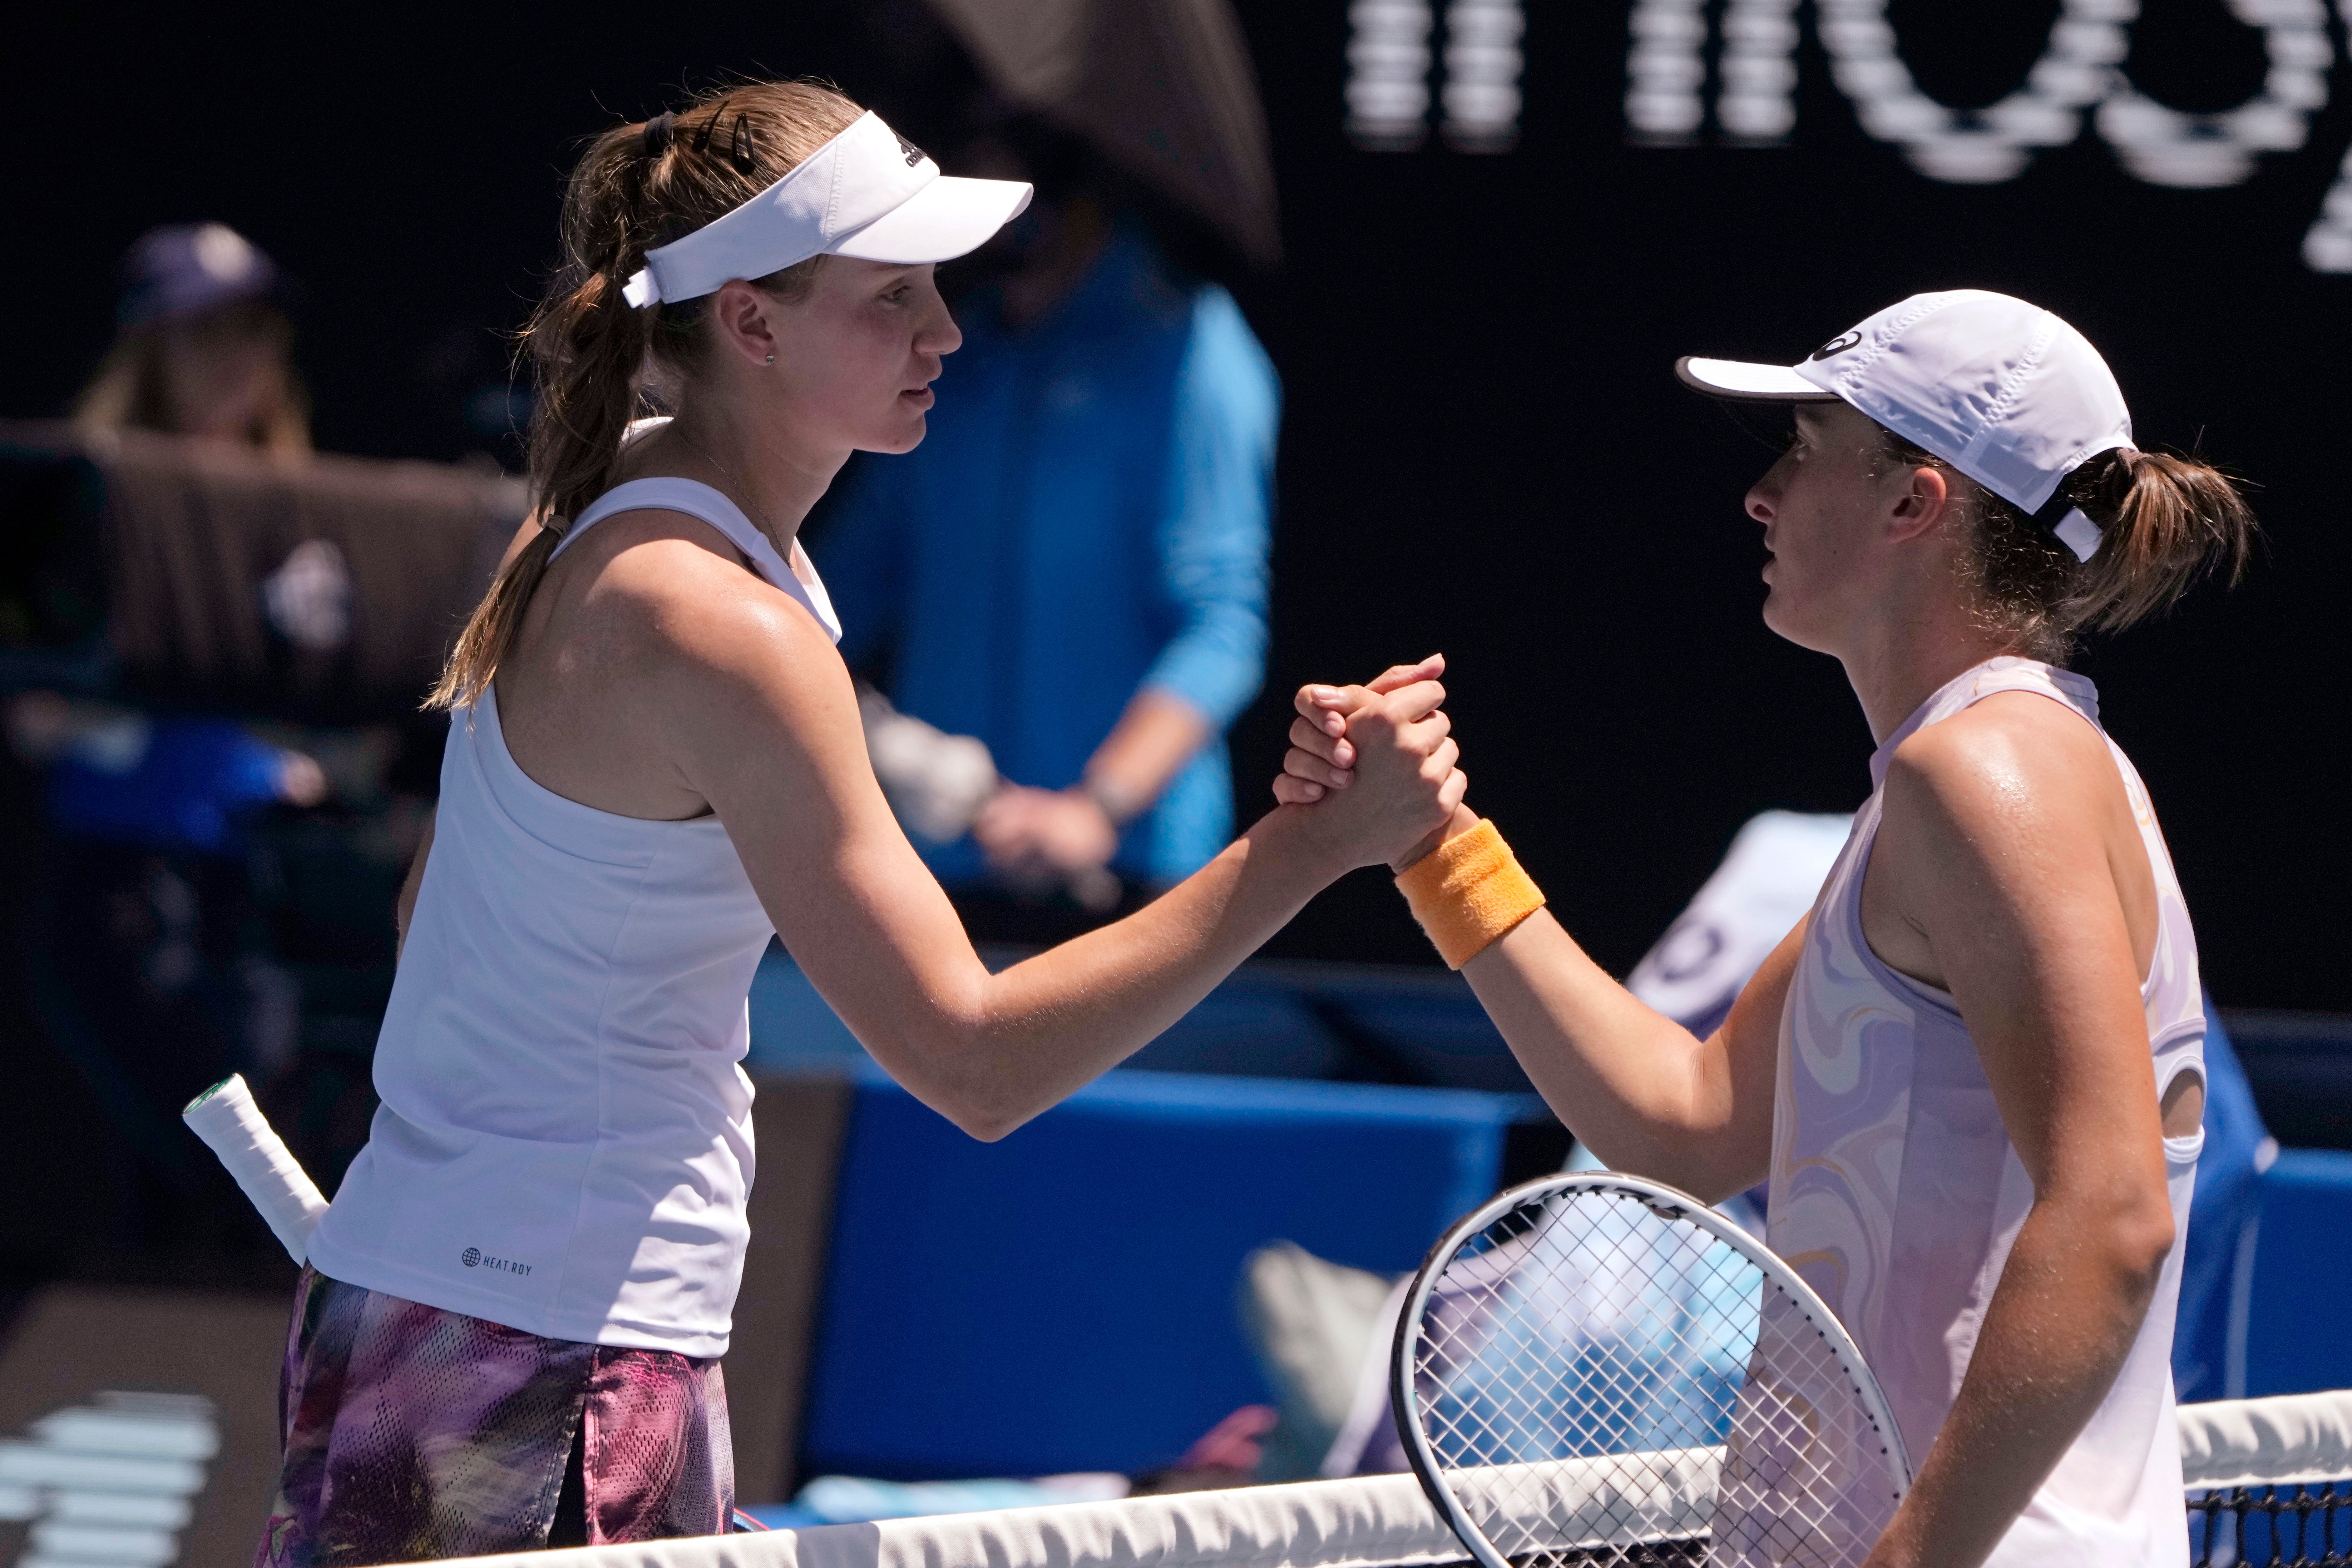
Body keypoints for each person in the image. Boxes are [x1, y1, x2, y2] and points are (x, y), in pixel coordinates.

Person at [264, 82, 1462, 1565]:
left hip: (422, 1313)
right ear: (753, 327)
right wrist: (1312, 846)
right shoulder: (730, 627)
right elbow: (975, 1058)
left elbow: (424, 915)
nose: (946, 331)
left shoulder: (592, 516)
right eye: (892, 297)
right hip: (552, 1358)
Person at [1278, 291, 2254, 1566]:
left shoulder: (1985, 774)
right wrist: (1433, 844)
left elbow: (2111, 1211)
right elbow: (1677, 1126)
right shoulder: (1960, 782)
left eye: (1803, 451)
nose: (1762, 495)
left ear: (1914, 502)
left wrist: (1908, 1557)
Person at [818, 123, 1277, 915]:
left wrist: (1095, 807)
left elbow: (1222, 627)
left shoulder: (1189, 344)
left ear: (1071, 195)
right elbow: (839, 594)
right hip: (938, 865)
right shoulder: (955, 353)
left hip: (1125, 874)